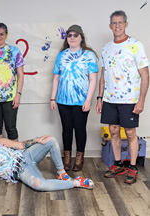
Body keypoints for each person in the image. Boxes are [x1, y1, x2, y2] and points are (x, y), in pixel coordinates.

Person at [96, 10, 149, 184]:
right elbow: (103, 75)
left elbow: (145, 74)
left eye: (120, 22)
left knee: (130, 132)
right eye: (114, 23)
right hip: (110, 98)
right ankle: (117, 164)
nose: (117, 26)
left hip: (130, 99)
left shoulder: (136, 45)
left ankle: (132, 167)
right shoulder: (106, 48)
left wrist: (141, 100)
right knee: (113, 130)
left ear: (126, 24)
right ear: (110, 26)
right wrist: (99, 97)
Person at [0, 123, 94, 191]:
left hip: (25, 156)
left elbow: (20, 145)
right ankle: (76, 183)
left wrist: (36, 140)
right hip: (19, 171)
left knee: (50, 140)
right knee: (39, 185)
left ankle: (61, 172)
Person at [50, 25, 98, 171]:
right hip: (63, 100)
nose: (72, 38)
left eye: (75, 35)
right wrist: (53, 98)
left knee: (80, 129)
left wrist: (88, 100)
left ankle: (79, 158)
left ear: (81, 38)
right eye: (69, 35)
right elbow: (56, 78)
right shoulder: (61, 55)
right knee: (66, 129)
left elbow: (93, 80)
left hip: (81, 100)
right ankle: (66, 158)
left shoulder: (89, 55)